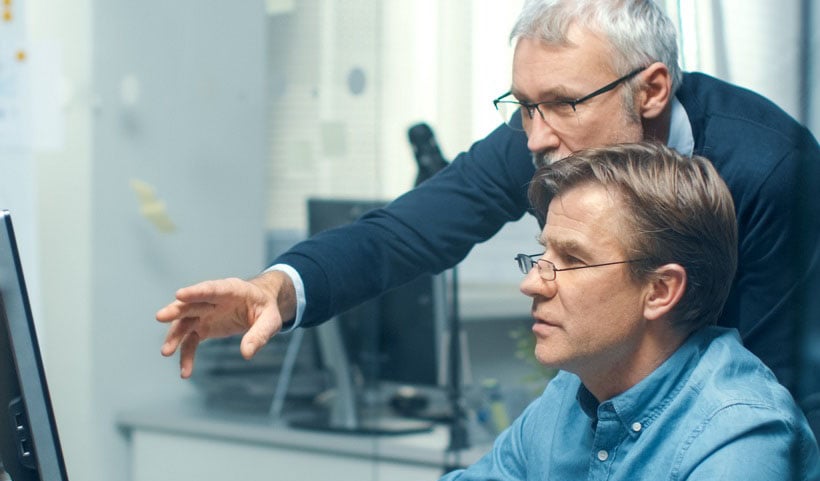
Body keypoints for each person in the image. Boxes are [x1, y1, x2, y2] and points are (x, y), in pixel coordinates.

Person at [48, 143, 820, 481]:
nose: (532, 281)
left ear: (662, 289)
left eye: (571, 262)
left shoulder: (742, 431)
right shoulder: (572, 399)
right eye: (540, 254)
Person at [156, 0, 820, 402]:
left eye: (562, 103)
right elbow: (402, 233)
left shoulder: (771, 168)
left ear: (650, 91)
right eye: (524, 105)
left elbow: (775, 388)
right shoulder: (540, 139)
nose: (536, 137)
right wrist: (279, 290)